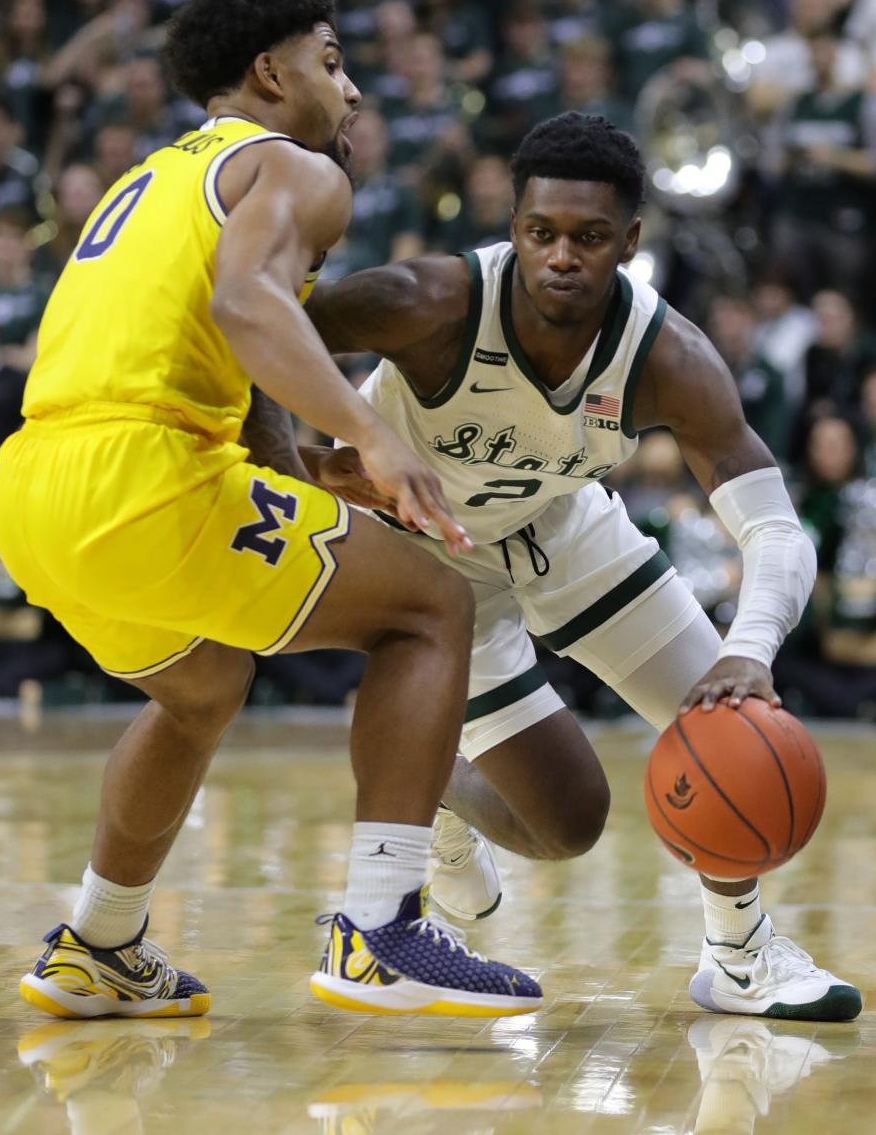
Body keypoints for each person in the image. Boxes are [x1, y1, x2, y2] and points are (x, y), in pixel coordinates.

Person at [0, 0, 541, 1022]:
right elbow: (247, 305)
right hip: (146, 475)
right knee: (433, 608)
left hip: (36, 493)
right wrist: (374, 436)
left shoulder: (147, 176)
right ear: (271, 71)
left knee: (202, 690)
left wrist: (304, 474)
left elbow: (218, 355)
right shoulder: (293, 167)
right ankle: (380, 929)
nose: (355, 91)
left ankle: (100, 944)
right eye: (334, 63)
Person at [305, 112, 862, 1021]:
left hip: (559, 523)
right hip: (436, 560)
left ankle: (739, 955)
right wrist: (303, 458)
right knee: (566, 824)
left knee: (726, 720)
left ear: (630, 241)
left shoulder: (669, 355)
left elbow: (776, 527)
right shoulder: (428, 302)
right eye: (542, 233)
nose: (563, 256)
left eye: (590, 237)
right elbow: (249, 333)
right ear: (513, 226)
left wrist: (750, 648)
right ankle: (430, 782)